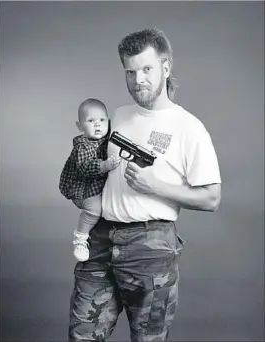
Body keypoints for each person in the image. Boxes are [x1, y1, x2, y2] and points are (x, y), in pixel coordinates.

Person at [68, 28, 221, 341]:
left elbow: (212, 198)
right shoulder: (119, 116)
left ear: (165, 67)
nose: (138, 80)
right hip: (99, 240)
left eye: (147, 69)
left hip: (150, 248)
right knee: (82, 336)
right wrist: (81, 191)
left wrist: (156, 187)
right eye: (130, 71)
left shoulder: (189, 128)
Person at [59, 98, 121, 261]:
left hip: (97, 186)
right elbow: (85, 166)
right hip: (83, 190)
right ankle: (80, 239)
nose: (97, 125)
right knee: (94, 209)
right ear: (80, 126)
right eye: (91, 121)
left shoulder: (107, 138)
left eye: (101, 120)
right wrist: (105, 165)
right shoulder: (83, 145)